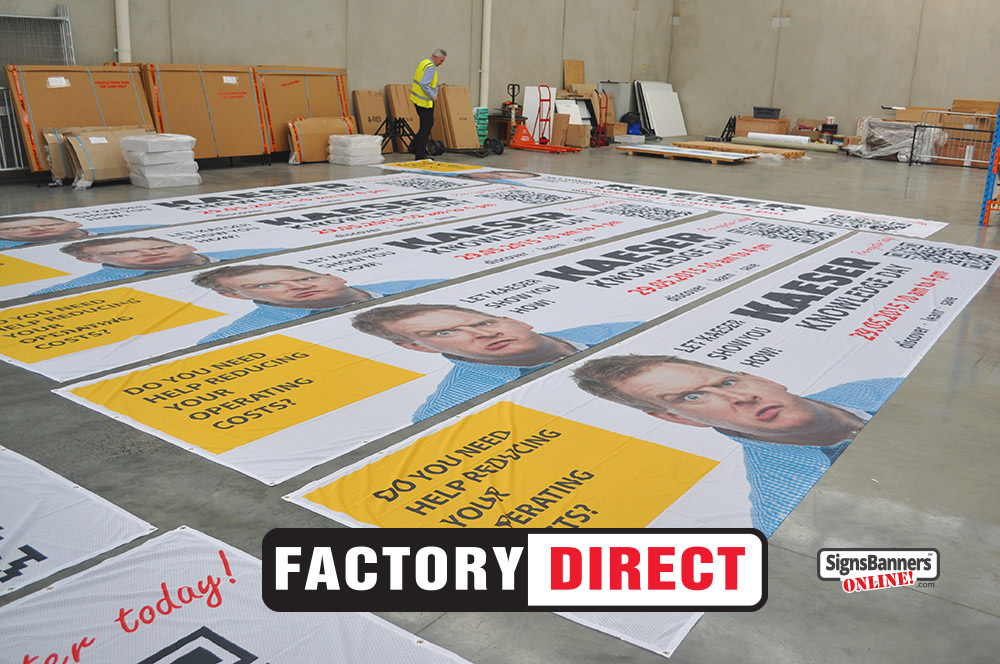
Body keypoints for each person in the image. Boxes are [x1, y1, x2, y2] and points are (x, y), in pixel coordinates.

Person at [571, 354, 904, 535]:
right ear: (680, 419)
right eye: (693, 397)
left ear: (760, 379)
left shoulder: (888, 386)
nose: (740, 397)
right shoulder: (786, 510)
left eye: (727, 381)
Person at [351, 303, 641, 422]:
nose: (484, 333)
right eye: (444, 333)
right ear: (415, 347)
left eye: (484, 321)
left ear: (513, 319)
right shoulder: (451, 409)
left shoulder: (624, 329)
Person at [193, 264, 443, 344]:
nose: (300, 286)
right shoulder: (237, 337)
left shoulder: (427, 285)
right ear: (235, 296)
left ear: (333, 276)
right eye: (266, 286)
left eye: (306, 278)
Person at [30, 237, 284, 295]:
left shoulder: (265, 253)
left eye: (159, 247)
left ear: (188, 245)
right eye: (121, 252)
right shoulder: (78, 288)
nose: (147, 254)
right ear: (89, 260)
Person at [0, 215, 153, 250]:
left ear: (76, 223)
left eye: (51, 224)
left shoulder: (128, 229)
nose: (37, 229)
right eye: (14, 229)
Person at [409, 48, 447, 160]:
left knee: (426, 125)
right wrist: (432, 95)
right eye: (441, 60)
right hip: (425, 102)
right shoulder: (430, 67)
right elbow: (424, 83)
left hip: (418, 100)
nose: (441, 63)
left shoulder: (424, 63)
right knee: (426, 126)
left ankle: (414, 146)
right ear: (435, 57)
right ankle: (419, 154)